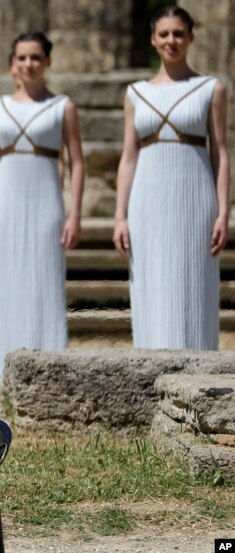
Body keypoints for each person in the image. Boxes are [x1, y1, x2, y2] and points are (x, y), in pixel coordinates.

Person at [113, 6, 228, 349]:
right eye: (163, 34)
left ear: (190, 38)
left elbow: (220, 153)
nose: (171, 41)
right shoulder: (135, 93)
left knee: (194, 282)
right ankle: (151, 372)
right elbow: (129, 157)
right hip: (147, 198)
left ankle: (196, 378)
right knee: (152, 281)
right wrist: (119, 215)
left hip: (195, 195)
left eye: (178, 33)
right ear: (153, 39)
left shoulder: (211, 89)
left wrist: (224, 212)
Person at [0, 32, 85, 377]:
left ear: (47, 62)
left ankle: (46, 359)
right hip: (3, 203)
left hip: (45, 202)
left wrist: (75, 213)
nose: (29, 64)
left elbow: (77, 162)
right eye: (22, 57)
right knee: (4, 278)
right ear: (13, 63)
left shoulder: (63, 107)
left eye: (36, 57)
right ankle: (0, 360)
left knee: (43, 276)